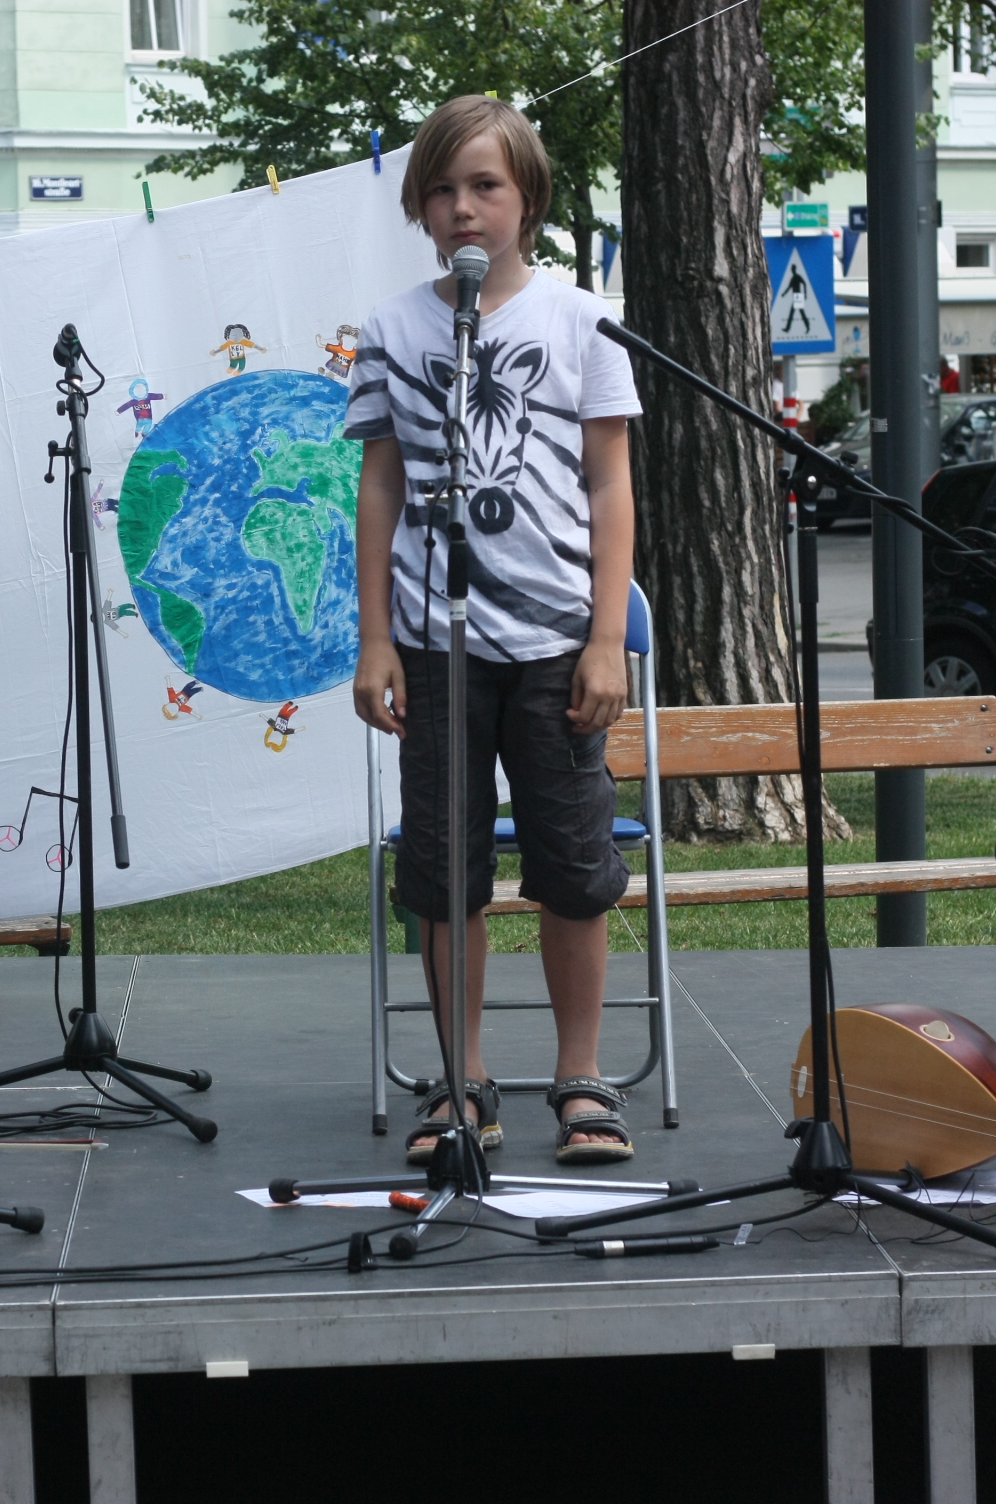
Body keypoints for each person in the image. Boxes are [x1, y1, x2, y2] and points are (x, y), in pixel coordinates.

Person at [347, 95, 643, 1166]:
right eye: (444, 189)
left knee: (572, 863)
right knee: (443, 867)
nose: (465, 208)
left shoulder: (579, 319)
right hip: (435, 641)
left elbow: (610, 483)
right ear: (420, 206)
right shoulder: (393, 328)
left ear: (528, 199)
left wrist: (607, 636)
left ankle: (580, 1075)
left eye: (486, 187)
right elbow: (380, 485)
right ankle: (460, 1077)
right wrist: (375, 637)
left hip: (557, 639)